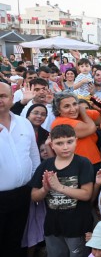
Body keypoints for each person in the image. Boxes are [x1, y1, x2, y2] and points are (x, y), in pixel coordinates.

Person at [30, 124, 94, 257]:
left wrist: (60, 187)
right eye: (59, 143)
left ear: (76, 141)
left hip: (77, 225)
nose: (65, 147)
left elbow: (86, 194)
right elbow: (34, 196)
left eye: (69, 142)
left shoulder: (83, 163)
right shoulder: (45, 165)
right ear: (51, 144)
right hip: (53, 225)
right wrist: (45, 189)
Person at [0, 82, 40, 256]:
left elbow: (34, 156)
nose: (0, 100)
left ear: (11, 98)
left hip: (22, 194)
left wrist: (36, 184)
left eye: (3, 96)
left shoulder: (24, 123)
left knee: (16, 240)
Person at [51, 92, 101, 171]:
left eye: (75, 104)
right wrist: (83, 112)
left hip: (94, 161)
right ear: (58, 110)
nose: (73, 109)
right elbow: (91, 128)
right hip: (76, 166)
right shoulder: (60, 122)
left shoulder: (78, 115)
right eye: (66, 106)